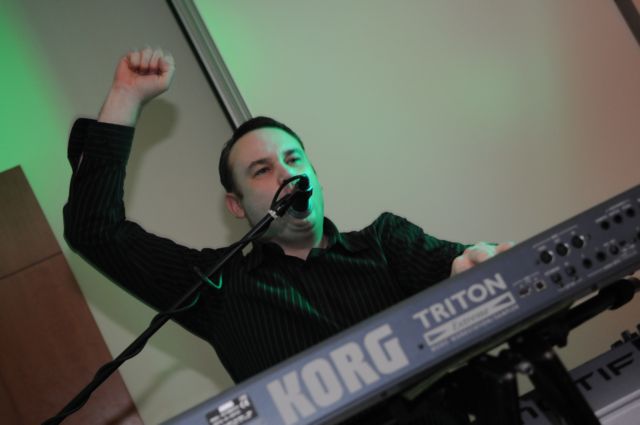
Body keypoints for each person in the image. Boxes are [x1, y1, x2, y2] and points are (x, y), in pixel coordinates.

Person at [64, 47, 511, 424]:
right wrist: (126, 96)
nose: (287, 174)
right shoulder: (218, 285)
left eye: (294, 160)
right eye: (262, 170)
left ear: (314, 174)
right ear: (236, 205)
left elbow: (464, 264)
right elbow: (95, 231)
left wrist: (476, 264)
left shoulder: (386, 242)